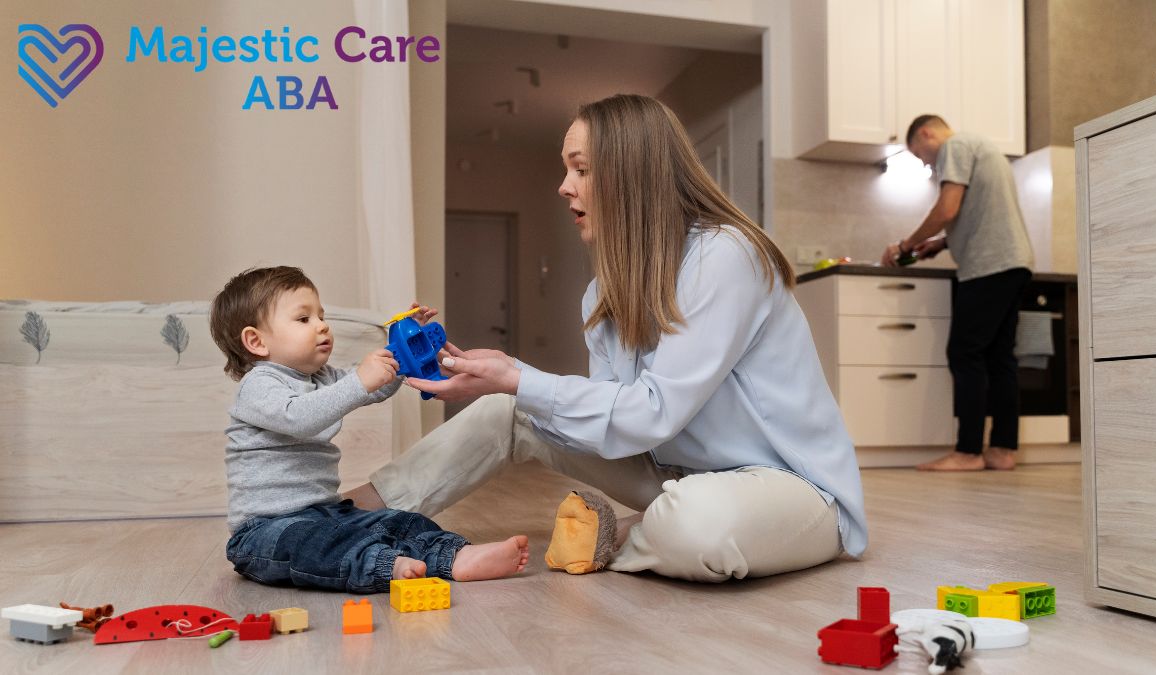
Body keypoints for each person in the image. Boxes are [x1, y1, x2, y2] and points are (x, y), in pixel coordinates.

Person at [343, 94, 867, 583]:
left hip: (791, 488)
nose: (564, 186)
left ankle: (624, 533)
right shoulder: (602, 295)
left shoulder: (725, 257)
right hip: (675, 473)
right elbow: (618, 427)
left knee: (697, 523)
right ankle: (349, 516)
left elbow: (653, 412)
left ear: (631, 176)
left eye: (581, 169)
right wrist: (507, 382)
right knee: (511, 409)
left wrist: (521, 377)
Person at [209, 266, 529, 593]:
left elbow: (374, 387)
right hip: (264, 531)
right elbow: (300, 418)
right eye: (304, 319)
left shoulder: (322, 378)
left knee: (399, 521)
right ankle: (385, 565)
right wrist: (359, 381)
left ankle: (455, 556)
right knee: (313, 544)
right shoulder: (259, 386)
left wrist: (405, 353)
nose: (322, 326)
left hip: (326, 513)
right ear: (256, 341)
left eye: (321, 316)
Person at [879, 115, 1035, 472]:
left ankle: (967, 452)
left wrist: (906, 243)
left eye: (921, 155)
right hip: (1014, 262)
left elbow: (948, 207)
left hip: (988, 266)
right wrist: (940, 243)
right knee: (1000, 359)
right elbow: (979, 213)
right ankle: (1002, 451)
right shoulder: (982, 147)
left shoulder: (955, 146)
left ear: (927, 133)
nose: (926, 164)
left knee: (965, 354)